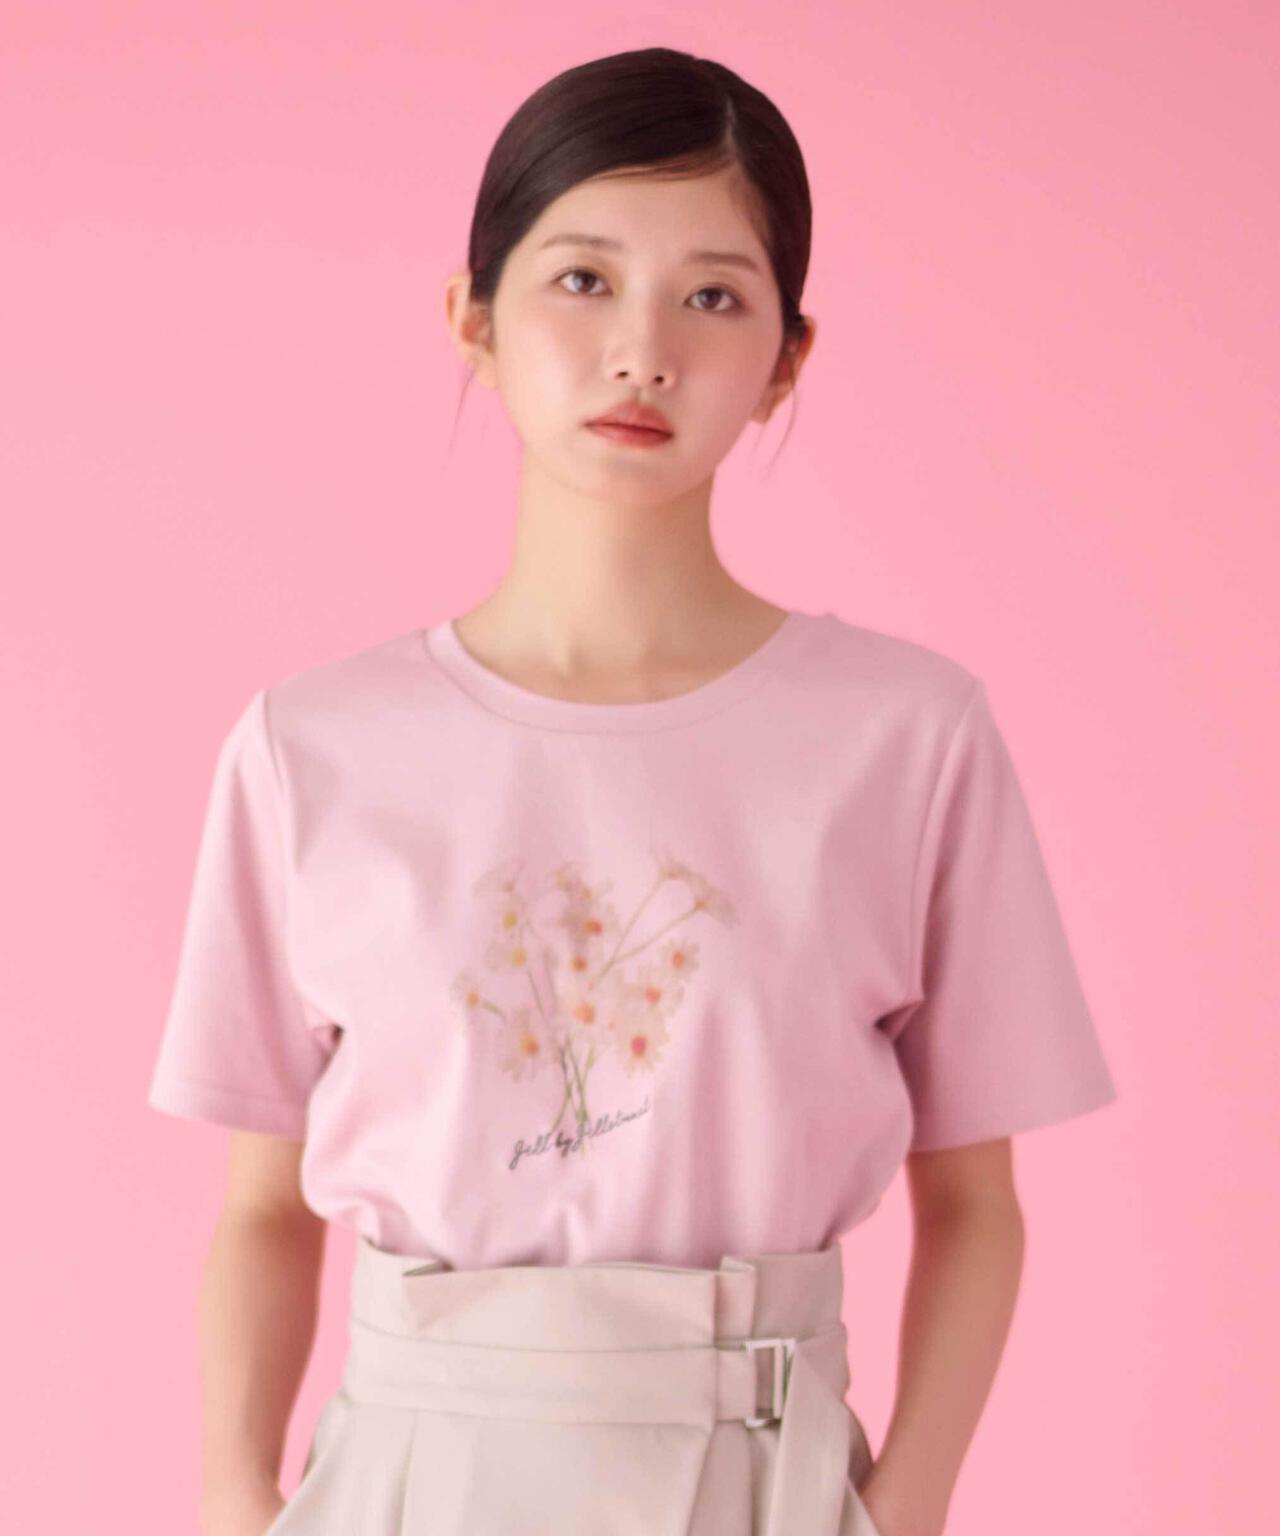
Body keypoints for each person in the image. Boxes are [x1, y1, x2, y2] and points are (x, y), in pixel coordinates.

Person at [148, 46, 1119, 1536]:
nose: (642, 351)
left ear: (788, 358)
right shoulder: (311, 748)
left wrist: (901, 1510)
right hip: (405, 1480)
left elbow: (978, 1207)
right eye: (583, 280)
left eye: (713, 297)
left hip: (766, 1478)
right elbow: (263, 1210)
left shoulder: (905, 739)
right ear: (473, 317)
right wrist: (234, 1504)